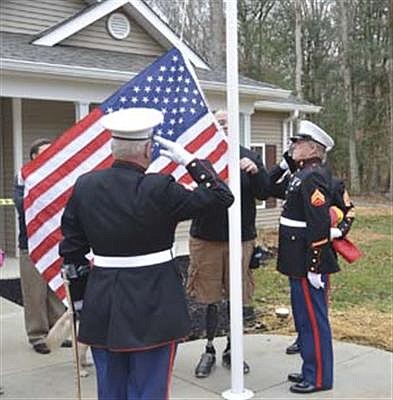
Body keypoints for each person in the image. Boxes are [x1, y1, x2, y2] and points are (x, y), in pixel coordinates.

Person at [59, 107, 234, 400]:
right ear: (148, 150)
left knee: (110, 389)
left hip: (103, 304)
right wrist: (189, 160)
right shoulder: (159, 187)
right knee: (150, 389)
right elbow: (221, 196)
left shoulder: (85, 185)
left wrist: (80, 302)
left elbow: (73, 251)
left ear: (114, 148)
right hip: (155, 304)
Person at [187, 109, 270, 378]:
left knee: (237, 296)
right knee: (208, 298)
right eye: (218, 123)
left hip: (241, 239)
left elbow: (264, 191)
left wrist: (256, 172)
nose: (223, 127)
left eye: (227, 123)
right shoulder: (199, 157)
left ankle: (233, 349)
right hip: (207, 238)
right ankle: (209, 349)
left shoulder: (248, 155)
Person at [269, 120, 346, 394]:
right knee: (304, 320)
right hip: (296, 259)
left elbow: (317, 224)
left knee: (314, 320)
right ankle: (309, 369)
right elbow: (268, 187)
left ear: (312, 148)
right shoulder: (302, 174)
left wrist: (314, 266)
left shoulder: (313, 176)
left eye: (297, 143)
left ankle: (320, 377)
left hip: (307, 261)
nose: (292, 147)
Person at [13, 138, 68, 354]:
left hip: (55, 241)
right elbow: (21, 203)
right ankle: (37, 335)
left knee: (56, 288)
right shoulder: (24, 176)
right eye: (43, 152)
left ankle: (56, 333)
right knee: (34, 292)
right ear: (33, 156)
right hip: (32, 243)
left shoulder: (59, 175)